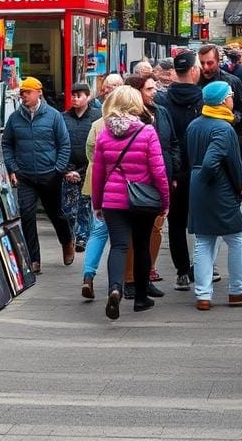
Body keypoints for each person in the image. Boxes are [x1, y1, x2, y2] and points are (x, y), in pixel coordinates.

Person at [91, 86, 169, 319]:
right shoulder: (147, 132)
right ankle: (141, 298)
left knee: (118, 246)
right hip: (142, 201)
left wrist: (97, 203)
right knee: (142, 245)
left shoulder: (104, 134)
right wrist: (165, 200)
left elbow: (98, 174)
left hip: (113, 201)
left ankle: (115, 288)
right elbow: (159, 171)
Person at [188, 81, 242, 311]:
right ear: (224, 100)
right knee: (238, 237)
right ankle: (238, 289)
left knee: (204, 239)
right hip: (218, 188)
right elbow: (216, 161)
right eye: (231, 95)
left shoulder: (194, 125)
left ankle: (203, 294)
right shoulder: (222, 128)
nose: (233, 99)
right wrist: (239, 185)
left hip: (198, 187)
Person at [2, 76, 73, 273]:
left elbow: (64, 144)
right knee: (26, 214)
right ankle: (34, 260)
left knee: (55, 214)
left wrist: (58, 169)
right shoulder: (15, 118)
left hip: (50, 175)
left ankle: (67, 241)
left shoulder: (53, 116)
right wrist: (13, 166)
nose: (23, 96)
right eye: (21, 93)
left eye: (27, 92)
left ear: (38, 92)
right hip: (25, 176)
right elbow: (7, 143)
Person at [122, 75, 179, 299]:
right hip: (137, 183)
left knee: (155, 231)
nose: (154, 92)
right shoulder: (130, 117)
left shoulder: (162, 112)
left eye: (154, 88)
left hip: (161, 178)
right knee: (132, 234)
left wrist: (173, 170)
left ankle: (146, 276)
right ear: (137, 91)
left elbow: (172, 142)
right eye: (149, 89)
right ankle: (129, 279)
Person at [156, 51, 205, 291]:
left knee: (175, 223)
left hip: (175, 171)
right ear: (194, 71)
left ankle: (182, 271)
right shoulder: (204, 98)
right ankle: (204, 266)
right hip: (202, 169)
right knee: (204, 222)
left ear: (175, 72)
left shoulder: (162, 101)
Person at [80, 74, 124, 299]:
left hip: (100, 188)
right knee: (121, 241)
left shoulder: (98, 124)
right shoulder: (136, 126)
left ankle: (88, 275)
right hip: (124, 191)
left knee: (97, 233)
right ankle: (119, 283)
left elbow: (90, 154)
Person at [62, 83, 101, 254]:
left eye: (79, 95)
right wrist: (67, 170)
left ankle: (83, 238)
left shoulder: (96, 117)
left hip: (88, 168)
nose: (75, 99)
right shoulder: (63, 118)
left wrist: (83, 170)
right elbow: (61, 145)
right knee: (68, 208)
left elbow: (97, 147)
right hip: (68, 169)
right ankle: (69, 237)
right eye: (73, 95)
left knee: (85, 206)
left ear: (88, 96)